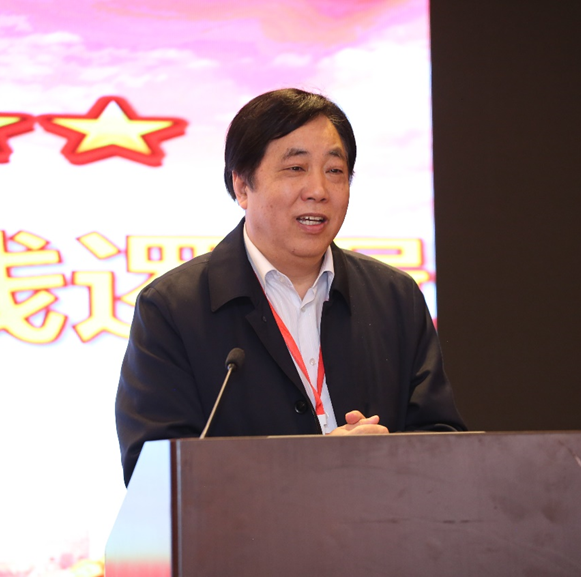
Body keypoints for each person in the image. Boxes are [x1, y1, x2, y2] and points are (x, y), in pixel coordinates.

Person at [115, 88, 465, 486]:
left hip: (382, 522)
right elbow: (154, 476)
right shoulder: (173, 308)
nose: (318, 189)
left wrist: (385, 458)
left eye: (335, 171)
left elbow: (444, 443)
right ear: (242, 186)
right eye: (296, 168)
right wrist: (312, 468)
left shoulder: (394, 297)